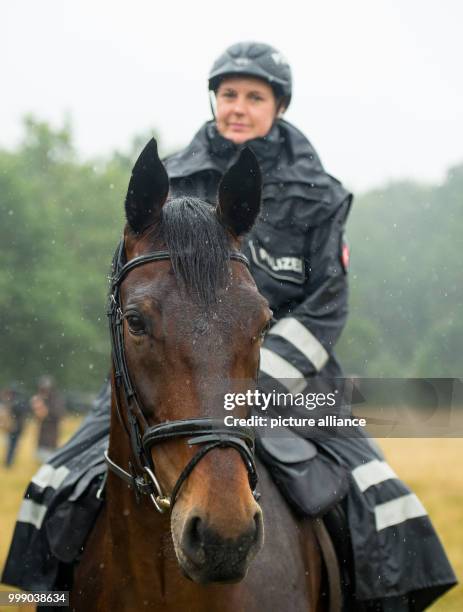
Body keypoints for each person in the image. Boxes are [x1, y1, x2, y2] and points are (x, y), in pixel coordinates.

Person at [2, 42, 456, 610]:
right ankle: (42, 598)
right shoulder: (174, 178)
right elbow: (133, 282)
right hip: (177, 368)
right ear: (214, 100)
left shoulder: (321, 194)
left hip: (294, 379)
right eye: (228, 94)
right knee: (57, 481)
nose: (238, 106)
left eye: (255, 97)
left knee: (379, 498)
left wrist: (262, 376)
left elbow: (327, 302)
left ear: (279, 107)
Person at [30, 375, 65, 463]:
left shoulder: (56, 400)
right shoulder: (41, 399)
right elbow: (38, 417)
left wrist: (44, 410)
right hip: (41, 439)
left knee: (48, 463)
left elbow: (58, 414)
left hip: (51, 440)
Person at [1, 382, 29, 467]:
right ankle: (9, 461)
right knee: (12, 446)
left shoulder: (15, 401)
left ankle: (8, 462)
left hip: (15, 427)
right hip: (15, 427)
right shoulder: (18, 400)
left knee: (11, 446)